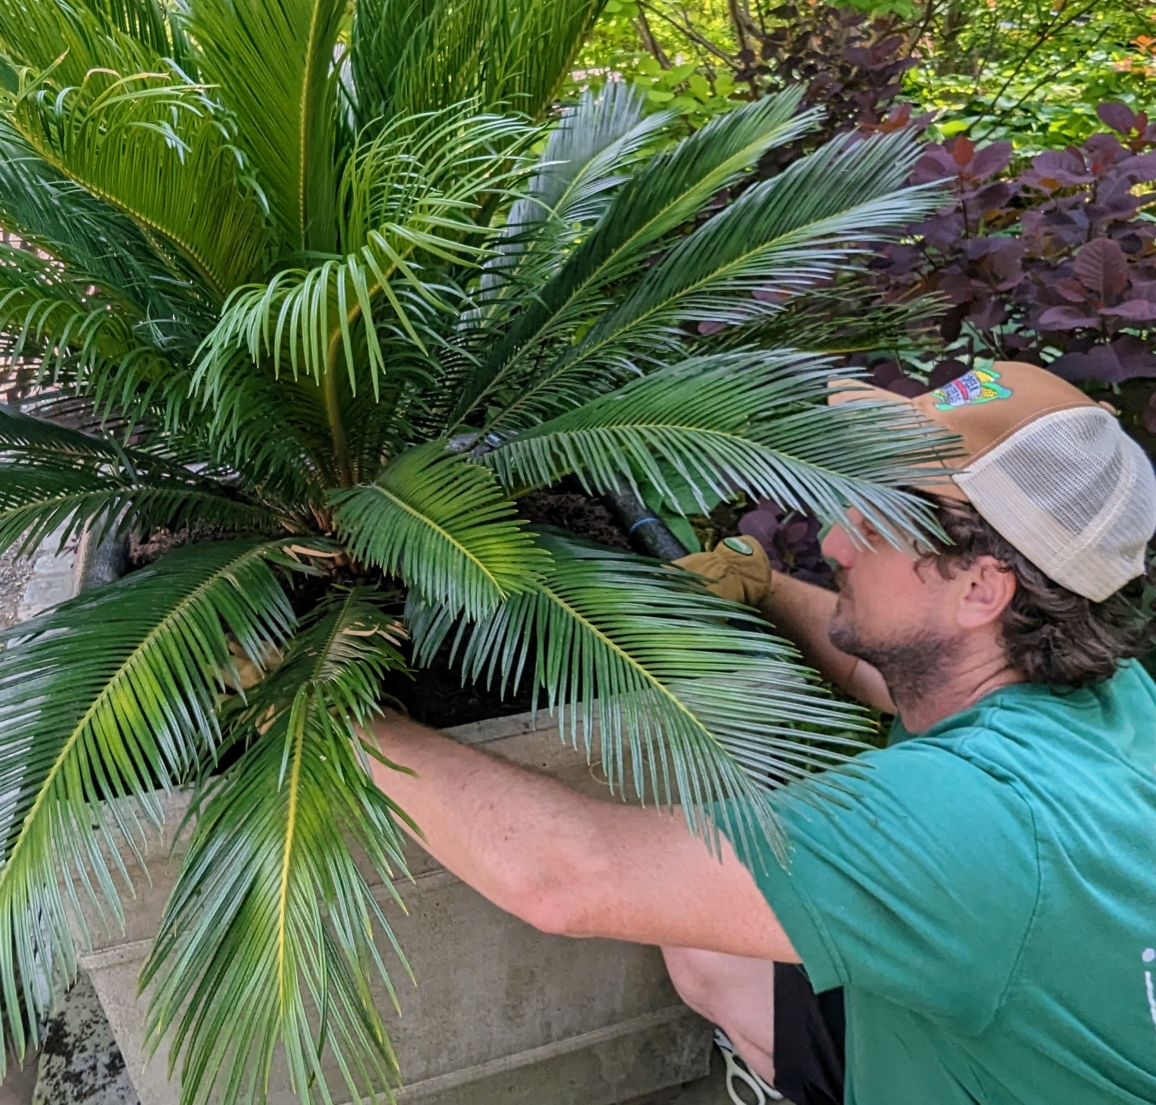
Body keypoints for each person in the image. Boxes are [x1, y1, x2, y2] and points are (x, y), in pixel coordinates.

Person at [368, 362, 1156, 1105]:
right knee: (715, 942)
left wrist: (345, 710)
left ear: (982, 589)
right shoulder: (1116, 699)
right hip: (1023, 1008)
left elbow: (565, 878)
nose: (837, 542)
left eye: (880, 522)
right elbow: (888, 673)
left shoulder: (966, 823)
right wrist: (765, 585)